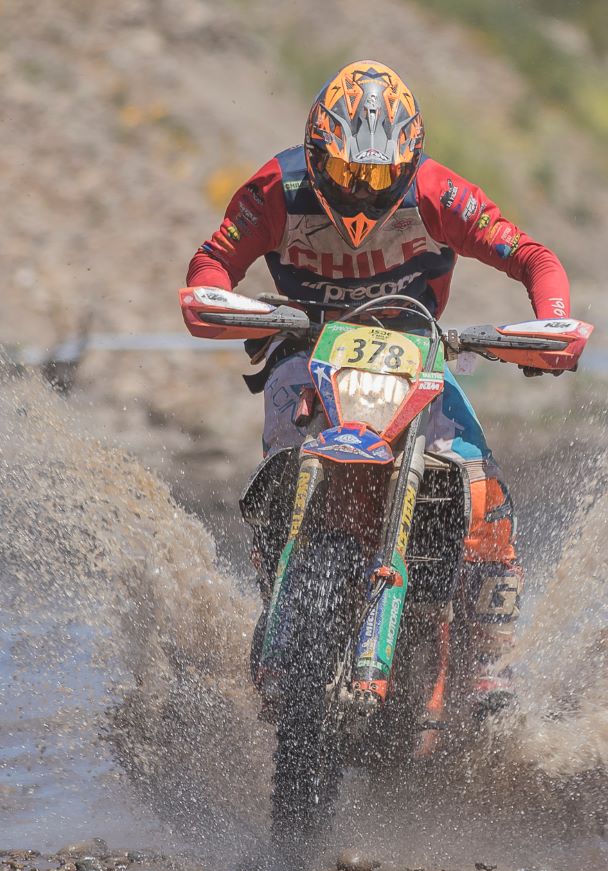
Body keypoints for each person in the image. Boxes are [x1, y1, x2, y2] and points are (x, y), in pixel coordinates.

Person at [183, 59, 578, 721]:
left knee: (483, 495)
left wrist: (551, 320)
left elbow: (531, 256)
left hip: (417, 354)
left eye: (379, 178)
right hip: (304, 346)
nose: (363, 193)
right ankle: (277, 594)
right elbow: (211, 262)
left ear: (409, 161)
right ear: (316, 156)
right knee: (284, 460)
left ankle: (487, 664)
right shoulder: (273, 190)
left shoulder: (438, 194)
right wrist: (214, 299)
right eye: (347, 174)